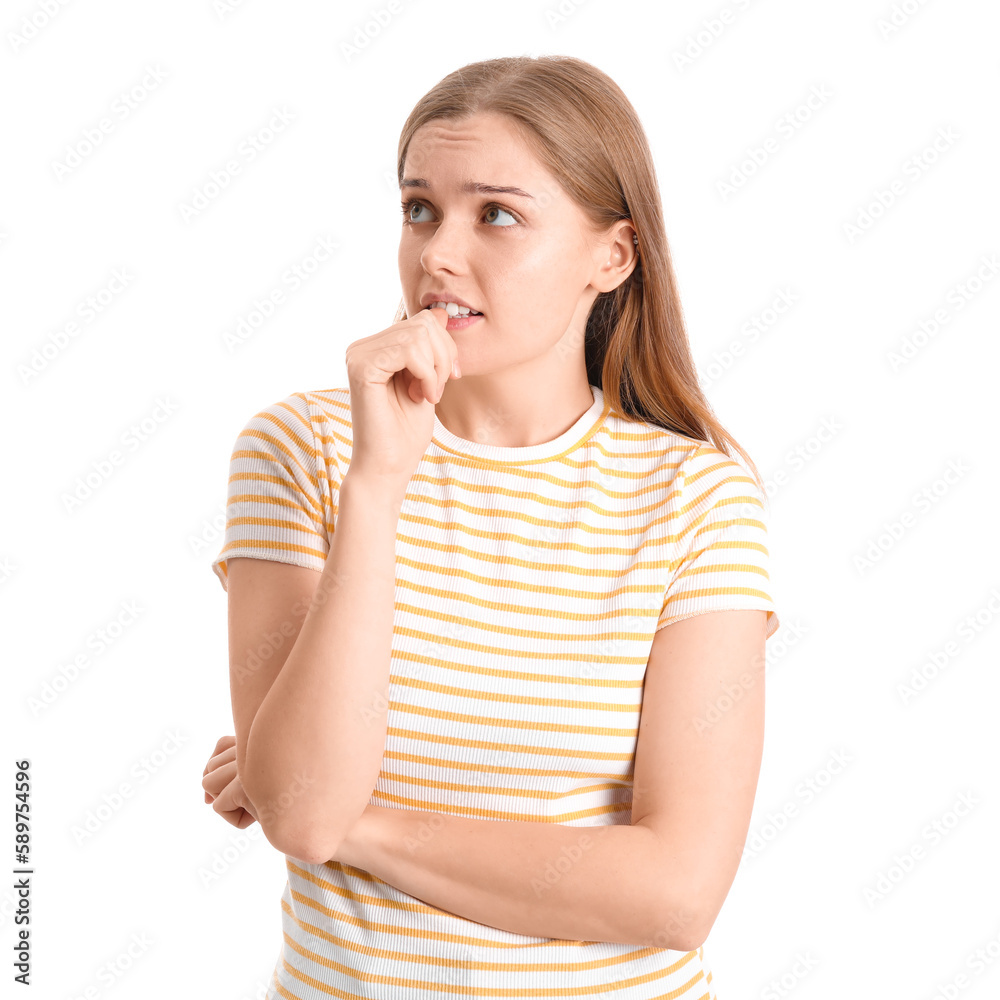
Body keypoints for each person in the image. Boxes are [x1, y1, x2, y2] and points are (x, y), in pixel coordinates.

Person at [201, 54, 780, 1000]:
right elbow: (300, 816)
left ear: (613, 256)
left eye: (496, 214)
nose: (435, 254)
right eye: (419, 207)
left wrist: (357, 824)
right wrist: (379, 485)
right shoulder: (303, 450)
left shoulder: (695, 499)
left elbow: (676, 892)